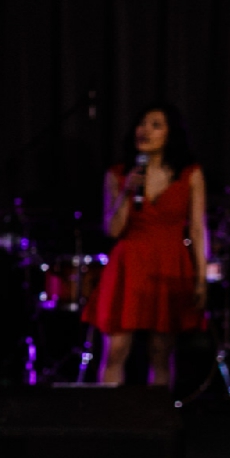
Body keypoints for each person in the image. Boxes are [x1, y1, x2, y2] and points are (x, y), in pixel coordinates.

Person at [84, 104, 208, 387]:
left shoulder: (190, 174)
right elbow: (113, 230)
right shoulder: (117, 174)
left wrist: (201, 278)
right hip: (129, 263)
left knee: (161, 352)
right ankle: (109, 418)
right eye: (142, 123)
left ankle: (159, 419)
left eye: (155, 124)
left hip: (169, 263)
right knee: (116, 350)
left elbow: (199, 228)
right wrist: (127, 190)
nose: (145, 130)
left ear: (170, 133)